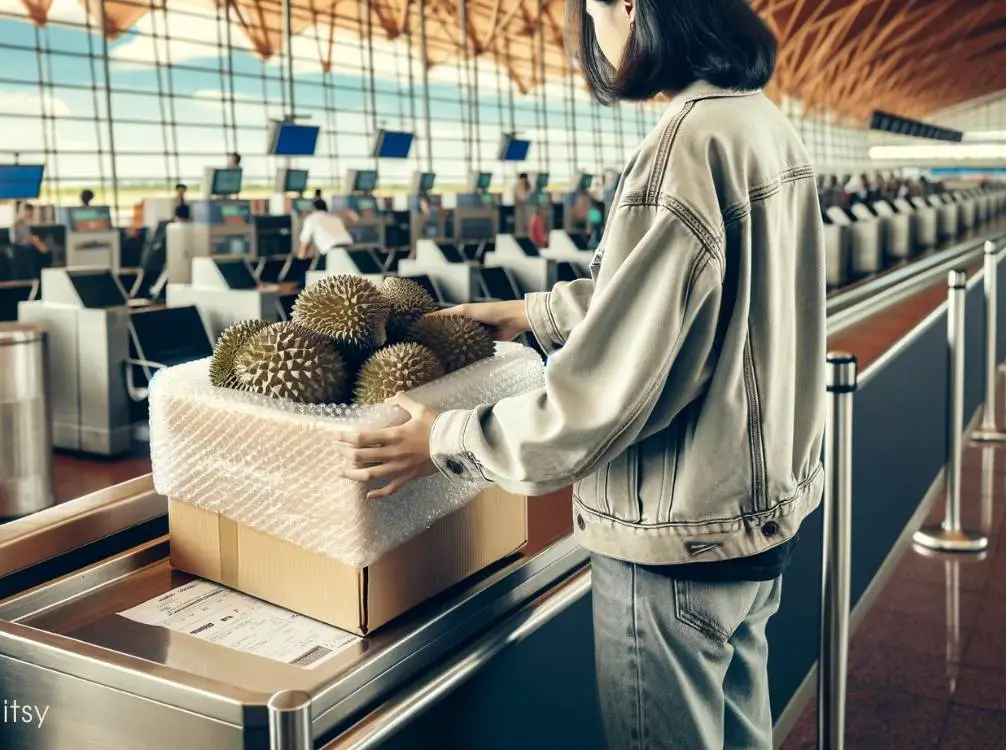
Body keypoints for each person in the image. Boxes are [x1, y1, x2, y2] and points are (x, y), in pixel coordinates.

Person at [337, 0, 825, 748]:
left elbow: (599, 400)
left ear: (630, 6)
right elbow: (692, 287)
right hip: (753, 515)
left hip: (674, 539)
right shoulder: (760, 124)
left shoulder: (682, 148)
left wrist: (449, 438)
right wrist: (538, 314)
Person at [10, 203, 50, 279]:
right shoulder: (15, 225)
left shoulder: (26, 225)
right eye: (27, 211)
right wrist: (29, 240)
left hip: (29, 253)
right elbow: (14, 240)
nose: (30, 214)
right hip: (20, 254)